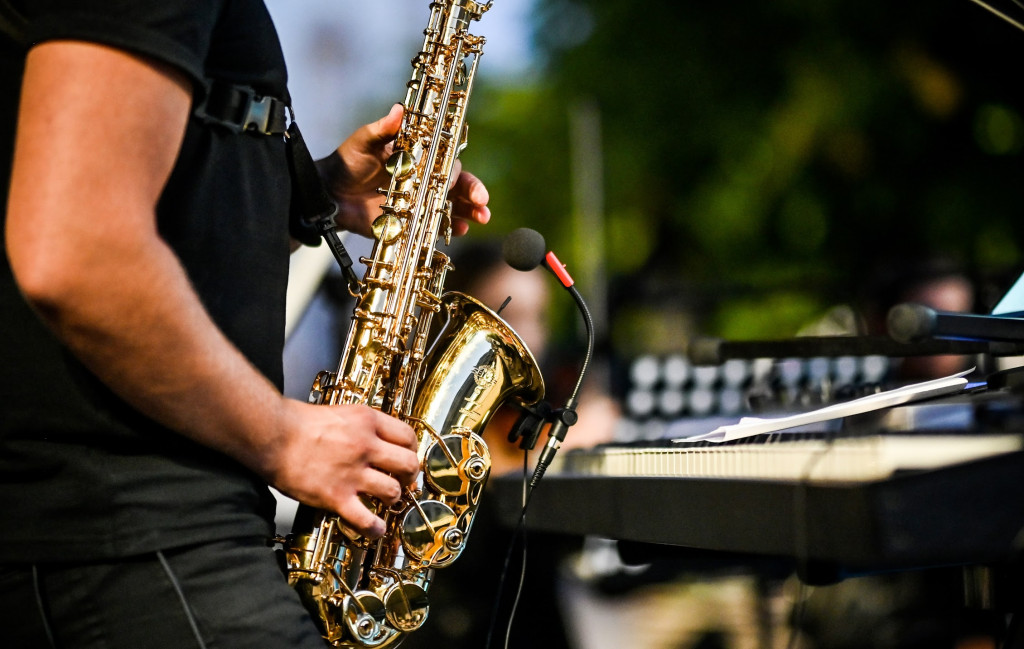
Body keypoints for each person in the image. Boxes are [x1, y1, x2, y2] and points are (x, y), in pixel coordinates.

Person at [0, 2, 490, 648]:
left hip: (143, 531)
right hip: (131, 531)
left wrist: (321, 194)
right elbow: (75, 250)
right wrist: (284, 436)